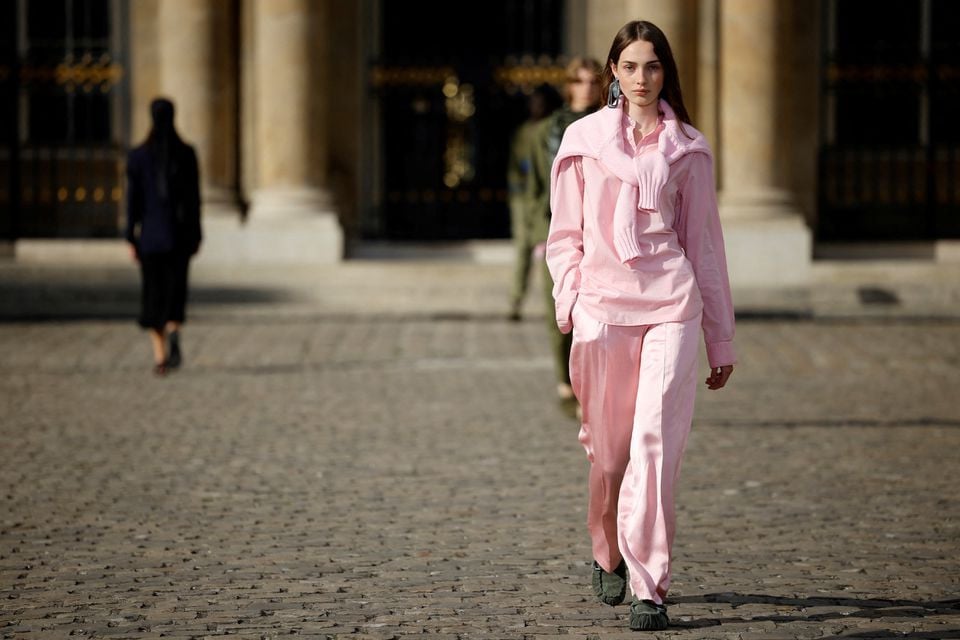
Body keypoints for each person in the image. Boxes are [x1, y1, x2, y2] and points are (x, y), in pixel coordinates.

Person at [545, 21, 736, 631]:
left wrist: (719, 335)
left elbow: (704, 245)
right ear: (612, 74)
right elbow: (565, 235)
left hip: (671, 305)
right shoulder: (582, 140)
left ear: (665, 72)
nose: (641, 79)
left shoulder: (688, 149)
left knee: (654, 446)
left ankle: (648, 585)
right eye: (629, 67)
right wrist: (570, 299)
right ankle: (606, 550)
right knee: (611, 453)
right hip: (602, 308)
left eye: (652, 67)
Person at [529, 57, 602, 403]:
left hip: (599, 232)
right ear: (568, 85)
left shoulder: (612, 125)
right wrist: (536, 237)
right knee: (559, 310)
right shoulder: (548, 130)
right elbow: (534, 188)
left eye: (593, 81)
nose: (586, 88)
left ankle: (590, 386)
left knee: (597, 314)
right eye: (579, 81)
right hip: (553, 229)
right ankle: (565, 383)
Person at [125, 98, 202, 376]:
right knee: (174, 292)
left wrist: (130, 237)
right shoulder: (186, 153)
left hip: (151, 238)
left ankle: (160, 358)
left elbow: (133, 201)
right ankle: (174, 329)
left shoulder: (139, 156)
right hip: (179, 236)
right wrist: (196, 236)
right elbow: (194, 200)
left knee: (153, 295)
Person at [507, 84, 560, 321]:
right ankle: (515, 300)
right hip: (524, 199)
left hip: (549, 199)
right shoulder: (523, 132)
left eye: (540, 102)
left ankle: (556, 304)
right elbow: (515, 166)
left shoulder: (555, 129)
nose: (535, 107)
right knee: (523, 250)